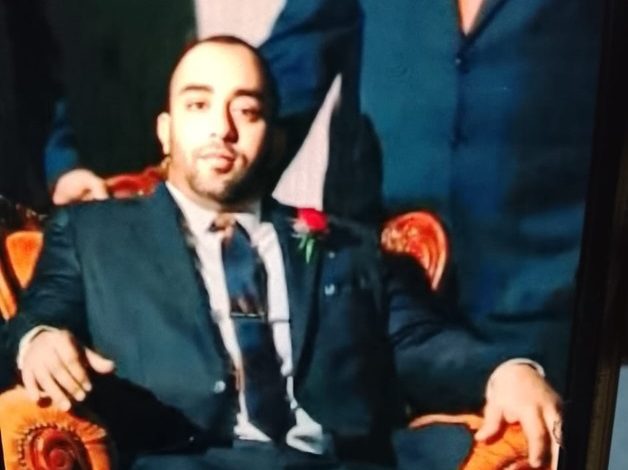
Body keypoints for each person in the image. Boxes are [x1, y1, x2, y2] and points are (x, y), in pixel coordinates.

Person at [6, 37, 560, 469]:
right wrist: (39, 341)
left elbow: (419, 340)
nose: (222, 129)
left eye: (246, 111)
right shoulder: (93, 234)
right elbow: (34, 320)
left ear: (272, 139)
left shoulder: (344, 244)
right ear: (166, 131)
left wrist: (505, 370)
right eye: (198, 105)